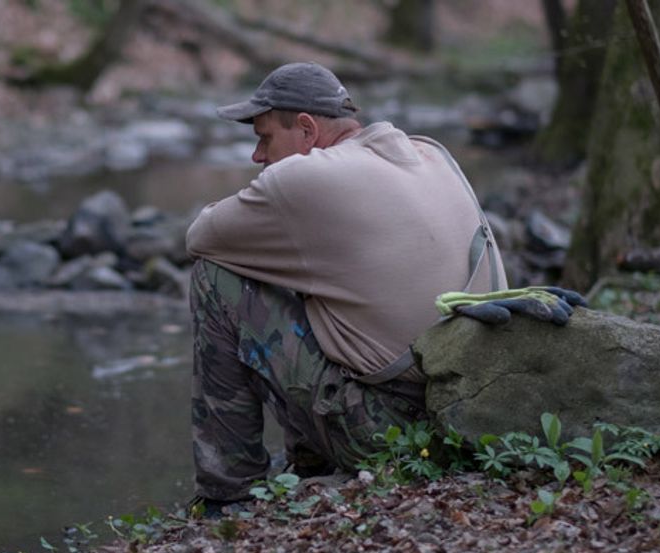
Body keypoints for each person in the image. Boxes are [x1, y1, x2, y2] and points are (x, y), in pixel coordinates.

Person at [186, 62, 567, 513]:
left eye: (264, 137)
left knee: (219, 277)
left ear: (306, 129)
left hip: (384, 430)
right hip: (467, 409)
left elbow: (200, 237)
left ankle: (227, 493)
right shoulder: (430, 153)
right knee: (300, 267)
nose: (257, 156)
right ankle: (307, 465)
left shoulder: (305, 179)